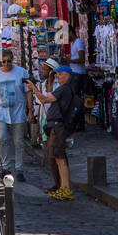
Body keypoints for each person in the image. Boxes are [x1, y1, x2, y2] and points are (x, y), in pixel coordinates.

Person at [30, 62, 75, 200]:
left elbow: (43, 99)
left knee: (60, 158)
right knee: (57, 157)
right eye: (57, 74)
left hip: (58, 126)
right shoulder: (62, 89)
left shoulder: (64, 89)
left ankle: (66, 188)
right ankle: (62, 187)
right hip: (54, 125)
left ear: (68, 76)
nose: (58, 76)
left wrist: (33, 87)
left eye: (61, 74)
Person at [0, 44, 33, 180]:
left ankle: (19, 168)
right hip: (2, 112)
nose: (6, 64)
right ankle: (5, 166)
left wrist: (30, 109)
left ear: (13, 60)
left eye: (8, 61)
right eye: (4, 61)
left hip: (18, 111)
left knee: (18, 141)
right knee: (2, 139)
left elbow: (28, 91)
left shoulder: (21, 72)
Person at [68, 25, 88, 132]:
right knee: (75, 99)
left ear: (71, 32)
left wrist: (69, 60)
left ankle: (79, 123)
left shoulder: (79, 43)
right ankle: (78, 122)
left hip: (79, 74)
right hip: (75, 73)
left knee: (77, 99)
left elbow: (81, 59)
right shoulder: (73, 44)